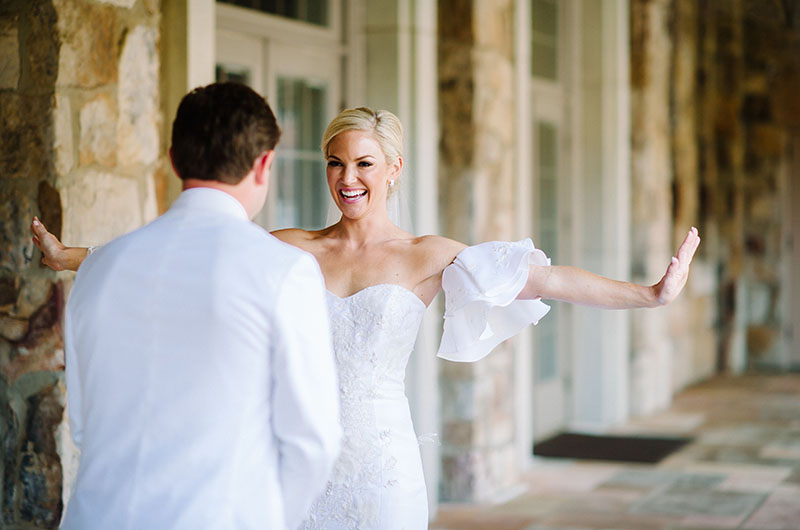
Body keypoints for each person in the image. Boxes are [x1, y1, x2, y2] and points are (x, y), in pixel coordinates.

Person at [33, 107, 700, 530]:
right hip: (295, 464)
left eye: (362, 163)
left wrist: (649, 294)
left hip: (382, 466)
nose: (346, 177)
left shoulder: (427, 256)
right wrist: (71, 258)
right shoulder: (292, 246)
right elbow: (189, 252)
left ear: (393, 169)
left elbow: (546, 278)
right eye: (335, 162)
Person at [52, 83, 342, 530]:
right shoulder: (284, 271)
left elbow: (84, 426)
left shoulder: (99, 269)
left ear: (173, 160)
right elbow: (312, 441)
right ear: (264, 164)